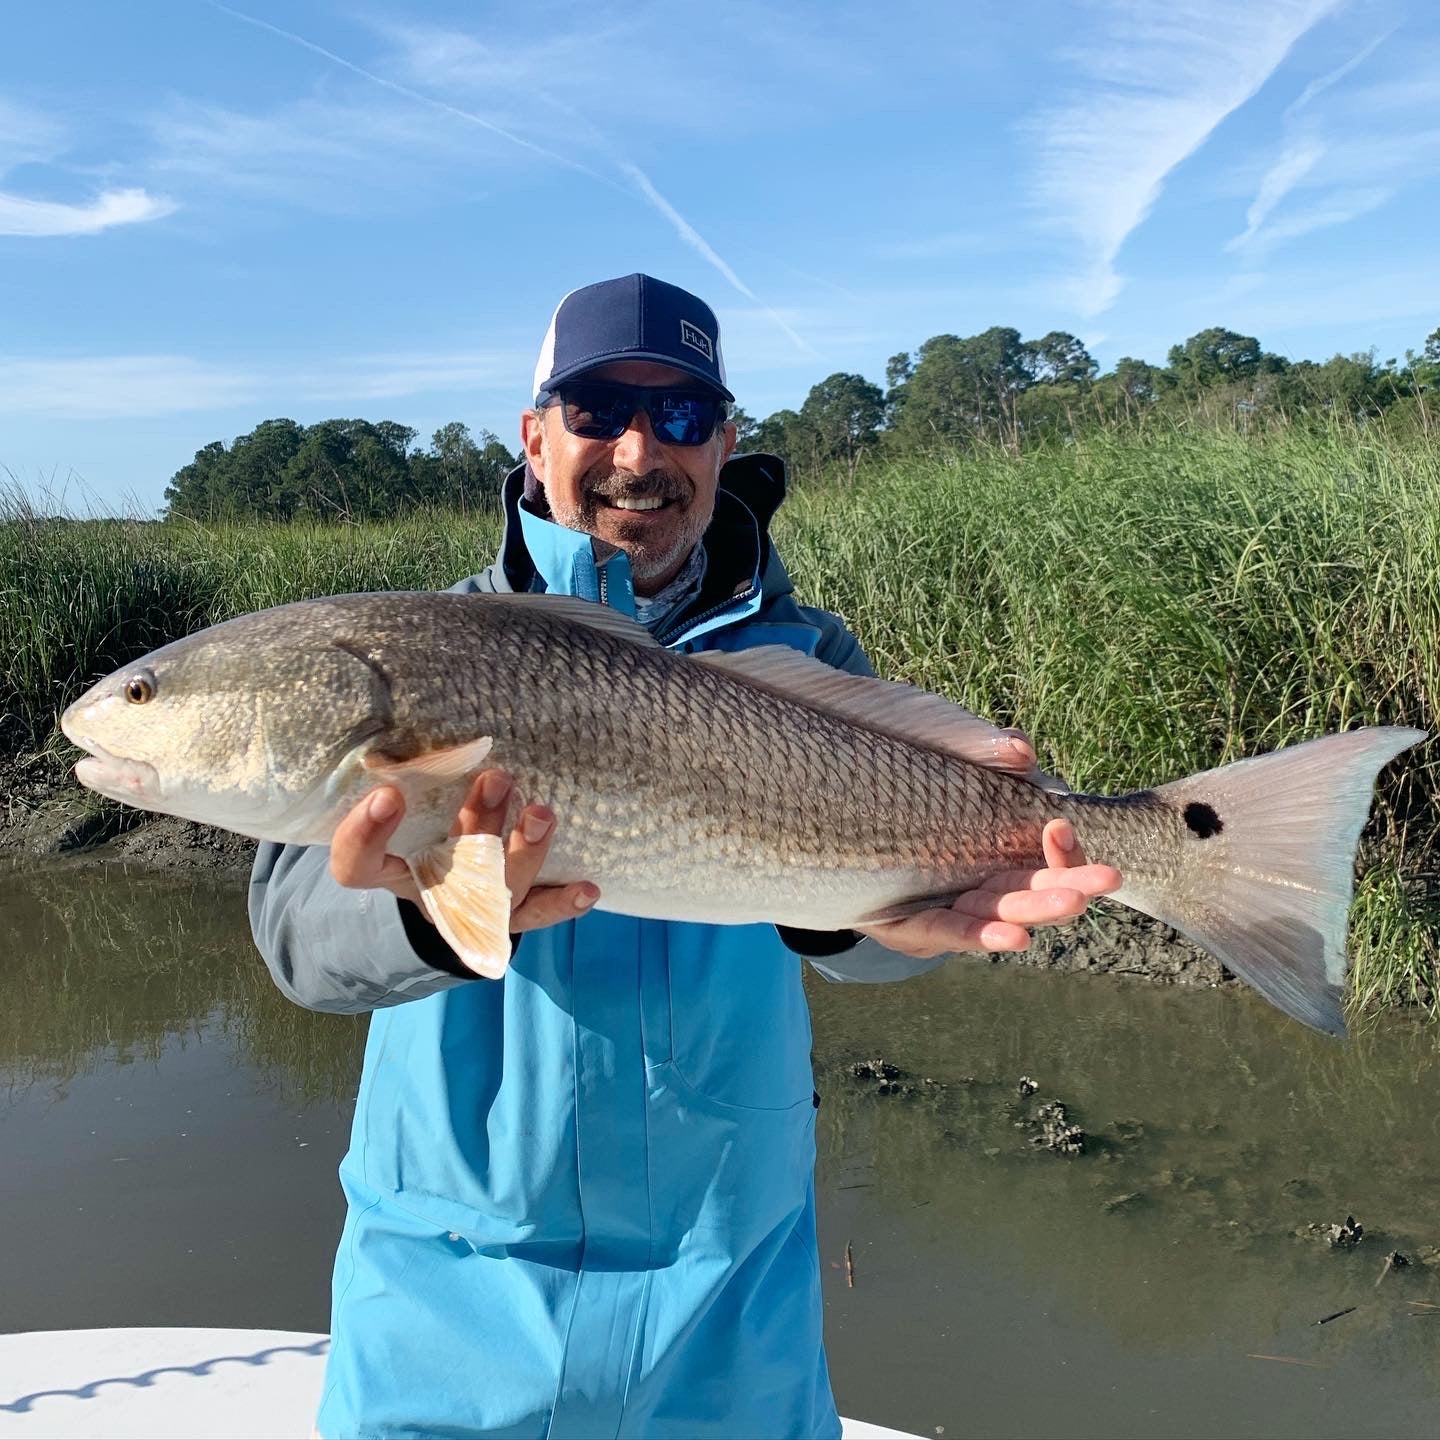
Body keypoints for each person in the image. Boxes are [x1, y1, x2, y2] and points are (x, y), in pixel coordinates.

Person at [250, 273, 1121, 1439]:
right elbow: (297, 948)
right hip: (448, 1307)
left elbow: (892, 948)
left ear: (725, 441)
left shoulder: (808, 654)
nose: (637, 451)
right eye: (601, 406)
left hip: (728, 1310)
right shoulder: (424, 648)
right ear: (535, 433)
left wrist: (854, 919)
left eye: (681, 417)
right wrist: (426, 912)